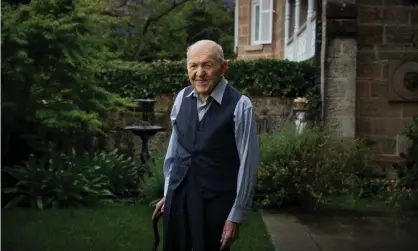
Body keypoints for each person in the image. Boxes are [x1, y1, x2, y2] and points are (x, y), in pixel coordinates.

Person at [152, 40, 260, 251]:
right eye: (193, 66)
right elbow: (174, 151)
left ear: (224, 67)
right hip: (178, 198)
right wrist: (168, 193)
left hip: (215, 204)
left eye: (207, 65)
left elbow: (248, 165)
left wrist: (235, 216)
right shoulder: (182, 98)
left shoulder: (241, 105)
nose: (200, 72)